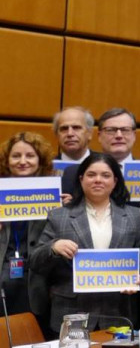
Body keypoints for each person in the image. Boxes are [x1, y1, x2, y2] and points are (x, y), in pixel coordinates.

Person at [30, 153, 140, 329]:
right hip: (71, 312)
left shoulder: (134, 216)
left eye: (105, 175)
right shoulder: (59, 216)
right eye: (91, 175)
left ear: (115, 181)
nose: (98, 180)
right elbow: (35, 261)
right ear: (81, 179)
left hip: (118, 311)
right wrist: (53, 247)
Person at [0, 133, 54, 320]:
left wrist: (62, 212)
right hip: (3, 276)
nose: (23, 161)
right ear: (7, 161)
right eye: (16, 156)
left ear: (40, 160)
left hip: (38, 281)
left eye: (30, 156)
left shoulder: (53, 194)